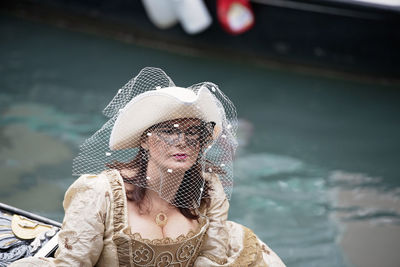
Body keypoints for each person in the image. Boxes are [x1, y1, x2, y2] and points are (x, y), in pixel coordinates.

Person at [10, 67, 285, 266]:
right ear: (144, 140)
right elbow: (74, 264)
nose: (182, 142)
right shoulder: (100, 193)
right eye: (169, 131)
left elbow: (211, 257)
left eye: (193, 133)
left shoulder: (208, 189)